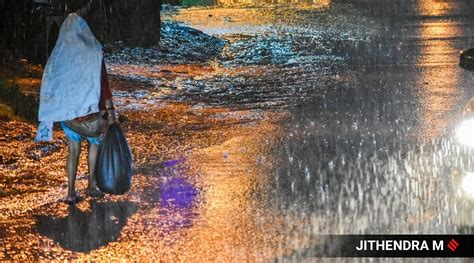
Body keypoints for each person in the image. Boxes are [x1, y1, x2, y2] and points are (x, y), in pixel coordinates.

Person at [35, 13, 117, 204]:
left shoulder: (58, 55)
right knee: (94, 145)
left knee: (73, 151)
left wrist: (50, 110)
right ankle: (90, 185)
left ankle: (71, 192)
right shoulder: (94, 52)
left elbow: (50, 82)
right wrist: (110, 109)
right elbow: (103, 83)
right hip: (90, 112)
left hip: (69, 115)